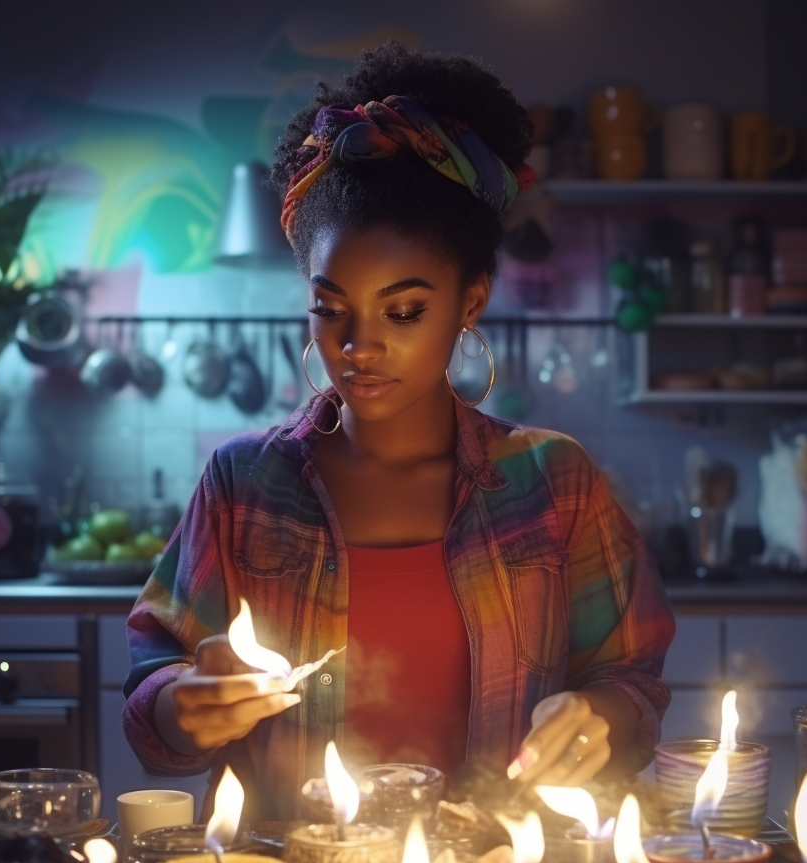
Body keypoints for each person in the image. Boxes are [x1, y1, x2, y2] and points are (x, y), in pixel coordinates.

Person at [123, 42, 674, 821]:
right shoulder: (242, 485)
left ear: (470, 302)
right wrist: (185, 705)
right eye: (329, 308)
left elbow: (634, 679)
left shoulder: (554, 483)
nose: (358, 345)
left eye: (404, 310)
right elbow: (153, 694)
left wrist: (600, 719)